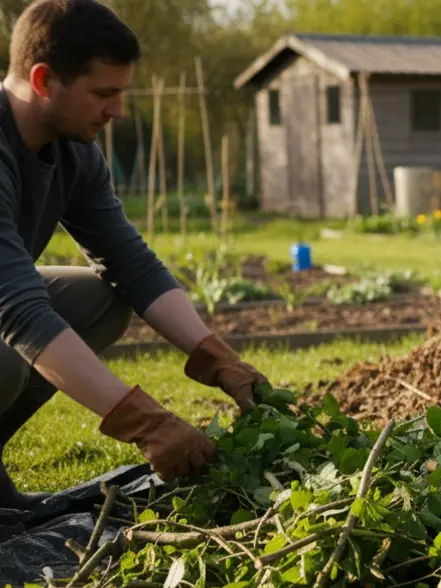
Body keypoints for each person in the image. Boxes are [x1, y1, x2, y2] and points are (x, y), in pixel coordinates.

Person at [0, 0, 268, 508]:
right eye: (104, 93)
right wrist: (146, 424)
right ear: (42, 81)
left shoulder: (75, 150)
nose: (118, 111)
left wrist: (216, 358)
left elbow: (130, 263)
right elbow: (18, 312)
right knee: (7, 358)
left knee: (97, 299)